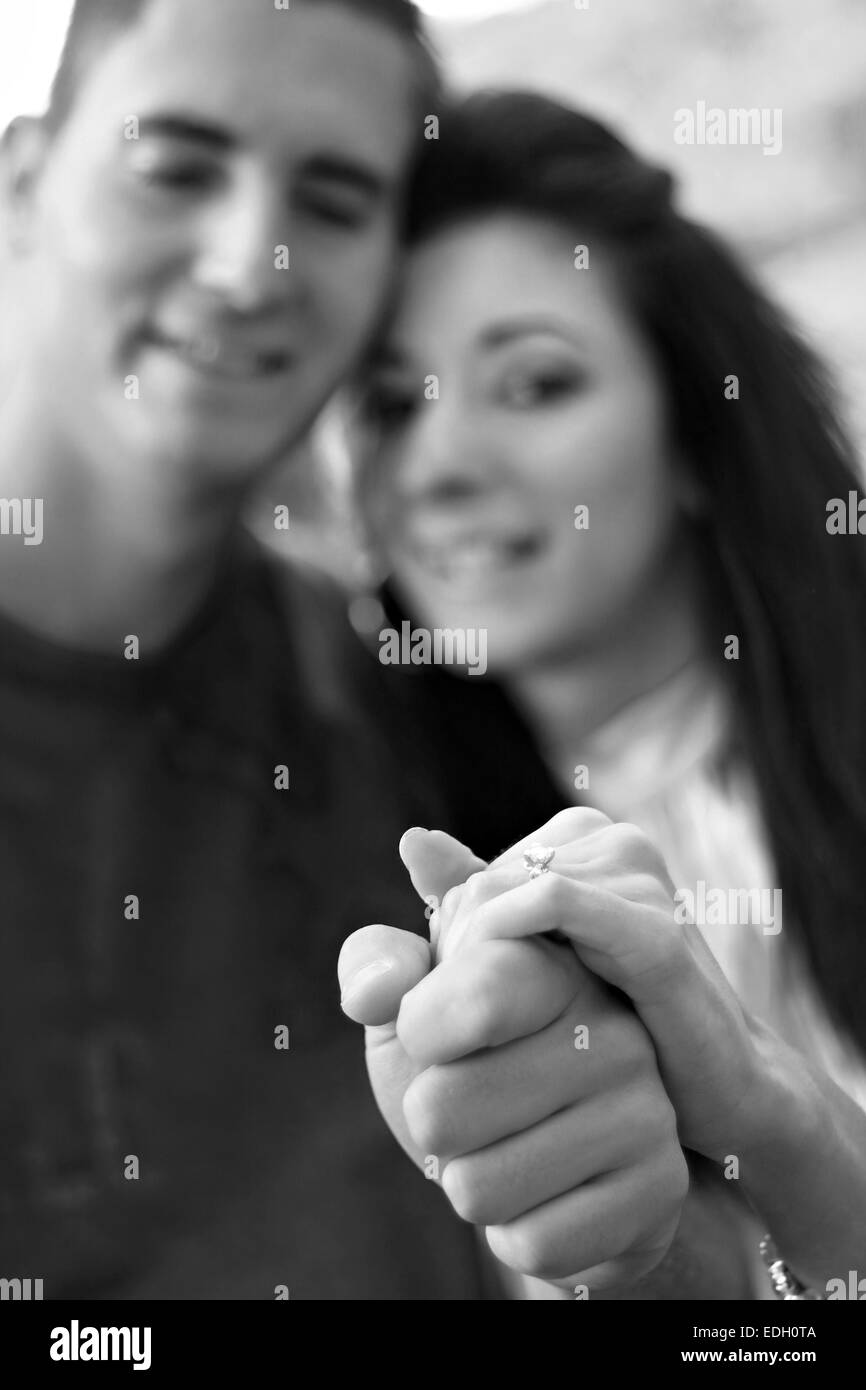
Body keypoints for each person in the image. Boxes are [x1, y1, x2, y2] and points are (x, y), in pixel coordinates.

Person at [0, 0, 700, 1301]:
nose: (249, 261)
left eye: (331, 200)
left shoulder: (397, 698)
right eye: (177, 166)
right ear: (25, 179)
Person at [345, 91, 866, 1298]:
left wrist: (785, 1132)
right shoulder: (383, 874)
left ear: (691, 430)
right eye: (388, 403)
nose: (438, 466)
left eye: (530, 384)